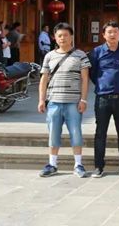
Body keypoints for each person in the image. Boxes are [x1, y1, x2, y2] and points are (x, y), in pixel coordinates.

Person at [37, 23, 91, 178]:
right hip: (54, 101)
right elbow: (43, 79)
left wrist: (84, 100)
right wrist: (41, 100)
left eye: (66, 35)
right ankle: (52, 164)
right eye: (59, 35)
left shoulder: (80, 55)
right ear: (55, 37)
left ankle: (78, 164)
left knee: (76, 133)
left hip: (73, 102)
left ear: (71, 37)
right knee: (53, 134)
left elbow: (85, 79)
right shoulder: (49, 56)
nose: (62, 38)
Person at [89, 21, 119, 178]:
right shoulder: (96, 52)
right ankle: (98, 167)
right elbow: (93, 74)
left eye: (115, 31)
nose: (113, 34)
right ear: (103, 35)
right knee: (100, 133)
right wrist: (103, 85)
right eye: (109, 32)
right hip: (103, 99)